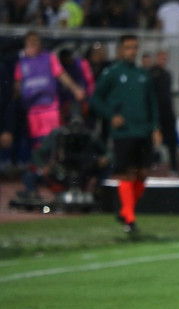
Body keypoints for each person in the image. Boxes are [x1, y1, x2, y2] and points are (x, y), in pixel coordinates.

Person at [89, 33, 161, 233]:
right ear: (120, 50)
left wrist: (155, 127)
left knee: (143, 174)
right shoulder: (112, 72)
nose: (132, 51)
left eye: (135, 47)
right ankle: (130, 218)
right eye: (128, 47)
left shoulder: (143, 74)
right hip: (124, 132)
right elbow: (95, 98)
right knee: (126, 174)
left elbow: (152, 102)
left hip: (143, 130)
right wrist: (111, 115)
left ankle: (125, 210)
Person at [13, 31, 86, 201]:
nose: (33, 44)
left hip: (49, 107)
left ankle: (54, 183)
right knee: (38, 148)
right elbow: (17, 85)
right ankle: (36, 184)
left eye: (36, 41)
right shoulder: (21, 63)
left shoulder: (48, 58)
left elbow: (61, 75)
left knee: (53, 143)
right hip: (32, 111)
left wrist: (75, 88)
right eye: (30, 41)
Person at [149, 49, 179, 176]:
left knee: (172, 140)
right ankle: (149, 163)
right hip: (156, 111)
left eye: (165, 58)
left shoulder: (167, 73)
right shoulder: (151, 73)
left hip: (167, 111)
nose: (163, 61)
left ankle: (174, 166)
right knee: (151, 140)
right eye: (161, 58)